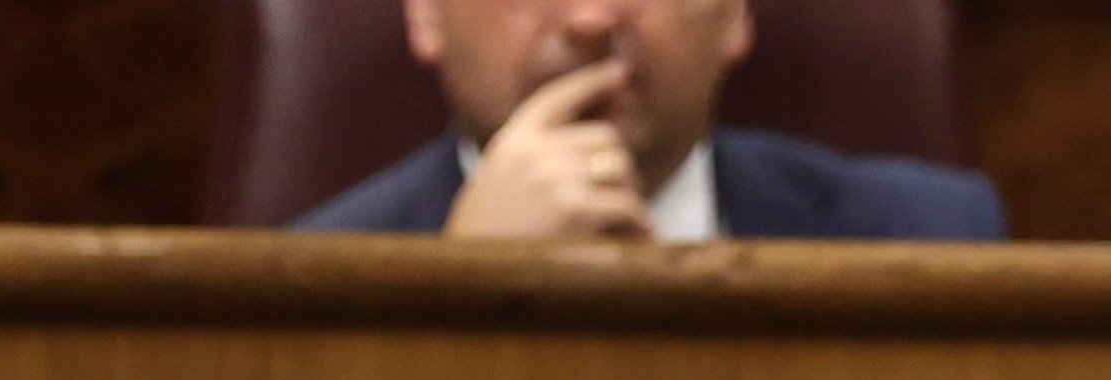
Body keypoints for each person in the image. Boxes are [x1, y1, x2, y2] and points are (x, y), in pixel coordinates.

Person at [296, 0, 1004, 243]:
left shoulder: (935, 237)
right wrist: (458, 301)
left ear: (735, 12)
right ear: (424, 12)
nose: (592, 21)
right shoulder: (299, 294)